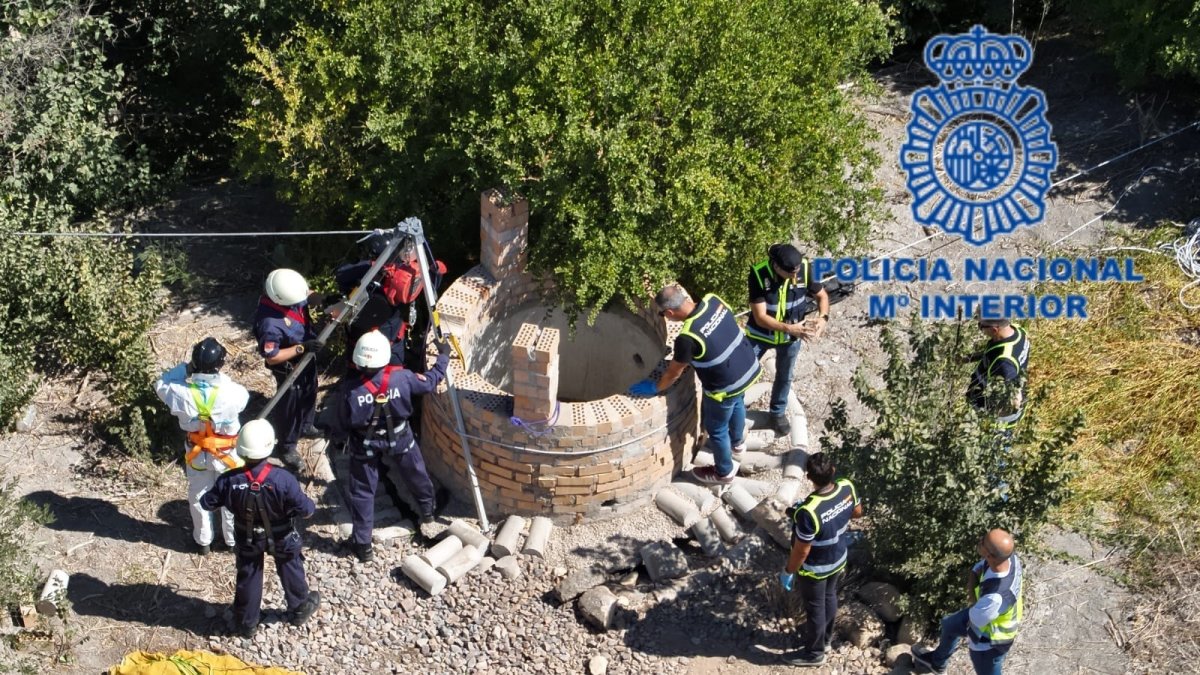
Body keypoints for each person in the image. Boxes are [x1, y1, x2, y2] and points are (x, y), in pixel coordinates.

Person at [325, 330, 450, 562]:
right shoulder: (403, 379)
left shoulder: (350, 391)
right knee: (416, 473)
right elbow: (430, 382)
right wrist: (444, 356)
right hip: (401, 438)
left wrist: (340, 440)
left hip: (365, 444)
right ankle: (428, 511)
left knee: (363, 492)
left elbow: (341, 423)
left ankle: (363, 545)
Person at [629, 285, 762, 485]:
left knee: (716, 428)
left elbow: (674, 372)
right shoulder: (713, 300)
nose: (666, 318)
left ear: (670, 312)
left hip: (724, 386)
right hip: (746, 367)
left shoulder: (687, 338)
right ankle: (738, 444)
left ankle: (723, 472)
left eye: (664, 314)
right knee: (738, 403)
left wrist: (656, 387)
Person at [200, 419, 320, 639]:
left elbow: (207, 503)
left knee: (249, 573)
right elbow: (307, 510)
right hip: (282, 535)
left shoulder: (229, 480)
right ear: (269, 446)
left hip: (247, 537)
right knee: (290, 566)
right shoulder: (284, 479)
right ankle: (300, 607)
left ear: (241, 450)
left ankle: (247, 622)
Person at [154, 337, 249, 555]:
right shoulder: (233, 394)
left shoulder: (179, 392)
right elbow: (243, 398)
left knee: (198, 497)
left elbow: (160, 383)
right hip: (227, 455)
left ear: (194, 363)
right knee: (230, 498)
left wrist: (186, 368)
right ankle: (232, 541)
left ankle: (203, 541)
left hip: (197, 455)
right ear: (219, 366)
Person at [778, 452, 863, 667]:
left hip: (815, 568)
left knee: (815, 607)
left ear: (809, 477)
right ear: (833, 470)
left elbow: (802, 551)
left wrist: (788, 571)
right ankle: (825, 641)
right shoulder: (846, 487)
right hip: (839, 558)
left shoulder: (808, 512)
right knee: (830, 597)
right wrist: (835, 518)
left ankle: (814, 654)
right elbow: (857, 512)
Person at [912, 529, 1023, 675]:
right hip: (983, 613)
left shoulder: (996, 596)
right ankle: (937, 663)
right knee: (949, 624)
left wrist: (973, 602)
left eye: (983, 541)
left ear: (989, 554)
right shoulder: (1009, 559)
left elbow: (975, 624)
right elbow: (980, 566)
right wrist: (972, 585)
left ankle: (940, 662)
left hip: (991, 640)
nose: (980, 540)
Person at [745, 244, 830, 435]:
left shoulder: (805, 268)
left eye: (797, 272)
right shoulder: (759, 275)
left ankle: (777, 413)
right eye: (789, 273)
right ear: (776, 266)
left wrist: (823, 318)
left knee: (785, 375)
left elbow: (822, 296)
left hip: (792, 336)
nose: (794, 277)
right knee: (743, 372)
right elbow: (760, 317)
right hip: (760, 335)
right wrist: (789, 328)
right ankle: (736, 409)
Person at [332, 232, 446, 374]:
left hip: (362, 341)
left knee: (360, 378)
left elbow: (341, 275)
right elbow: (432, 284)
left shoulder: (362, 272)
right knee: (392, 377)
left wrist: (369, 266)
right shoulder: (402, 272)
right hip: (391, 338)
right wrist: (434, 270)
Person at [253, 268, 325, 470]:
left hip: (306, 355)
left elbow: (307, 294)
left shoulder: (289, 288)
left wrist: (322, 299)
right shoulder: (269, 323)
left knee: (311, 389)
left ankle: (306, 425)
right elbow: (273, 356)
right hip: (289, 366)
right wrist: (301, 348)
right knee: (290, 405)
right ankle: (287, 446)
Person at [965, 317, 1029, 428]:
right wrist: (967, 358)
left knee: (993, 444)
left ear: (995, 330)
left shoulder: (1004, 364)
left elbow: (1014, 401)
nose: (980, 328)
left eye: (981, 326)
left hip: (998, 421)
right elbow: (994, 352)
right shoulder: (1018, 331)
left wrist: (990, 421)